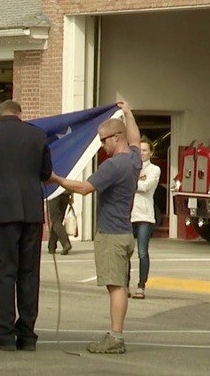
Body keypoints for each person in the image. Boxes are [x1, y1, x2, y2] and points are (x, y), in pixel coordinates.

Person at [49, 100, 142, 354]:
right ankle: (116, 334)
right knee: (119, 285)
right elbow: (135, 138)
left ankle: (116, 337)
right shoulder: (133, 160)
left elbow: (85, 188)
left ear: (116, 138)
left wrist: (56, 179)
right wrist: (128, 112)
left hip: (111, 235)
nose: (102, 145)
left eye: (104, 140)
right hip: (124, 232)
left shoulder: (113, 166)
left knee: (115, 287)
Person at [0, 99, 51, 352]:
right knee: (29, 274)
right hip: (32, 212)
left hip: (2, 211)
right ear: (19, 114)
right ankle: (27, 335)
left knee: (4, 273)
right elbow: (46, 172)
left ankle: (4, 334)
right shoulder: (38, 135)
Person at [130, 137, 161, 299]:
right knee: (125, 252)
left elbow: (145, 187)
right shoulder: (131, 167)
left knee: (142, 252)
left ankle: (141, 286)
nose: (141, 153)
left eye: (144, 150)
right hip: (128, 215)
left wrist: (132, 181)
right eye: (139, 150)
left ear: (151, 153)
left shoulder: (154, 169)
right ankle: (123, 284)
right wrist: (136, 180)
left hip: (145, 216)